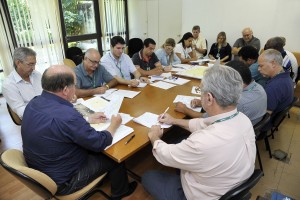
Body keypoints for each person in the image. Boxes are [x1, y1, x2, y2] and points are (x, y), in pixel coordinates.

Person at [21, 65, 137, 199]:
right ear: (65, 90)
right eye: (74, 85)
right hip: (64, 182)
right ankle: (121, 192)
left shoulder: (34, 102)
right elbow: (100, 142)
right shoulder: (68, 116)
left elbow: (57, 125)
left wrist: (87, 119)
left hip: (40, 169)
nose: (75, 89)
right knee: (114, 155)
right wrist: (113, 125)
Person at [142, 65, 256, 200]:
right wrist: (174, 121)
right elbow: (203, 123)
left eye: (200, 90)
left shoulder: (203, 142)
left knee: (148, 177)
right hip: (230, 183)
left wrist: (154, 136)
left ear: (209, 98)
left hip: (204, 195)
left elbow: (166, 154)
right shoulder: (243, 119)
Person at [174, 61, 267, 125]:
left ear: (238, 82)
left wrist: (185, 109)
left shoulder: (238, 101)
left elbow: (206, 118)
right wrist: (202, 102)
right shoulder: (258, 87)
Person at [2, 47, 42, 119]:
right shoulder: (8, 85)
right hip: (33, 119)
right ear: (18, 63)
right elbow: (21, 111)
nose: (34, 68)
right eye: (30, 64)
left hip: (48, 112)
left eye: (34, 64)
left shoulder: (37, 75)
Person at [258, 49, 294, 127]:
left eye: (261, 66)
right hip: (274, 118)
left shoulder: (273, 87)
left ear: (273, 63)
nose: (259, 69)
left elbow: (264, 116)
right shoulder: (286, 76)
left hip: (265, 124)